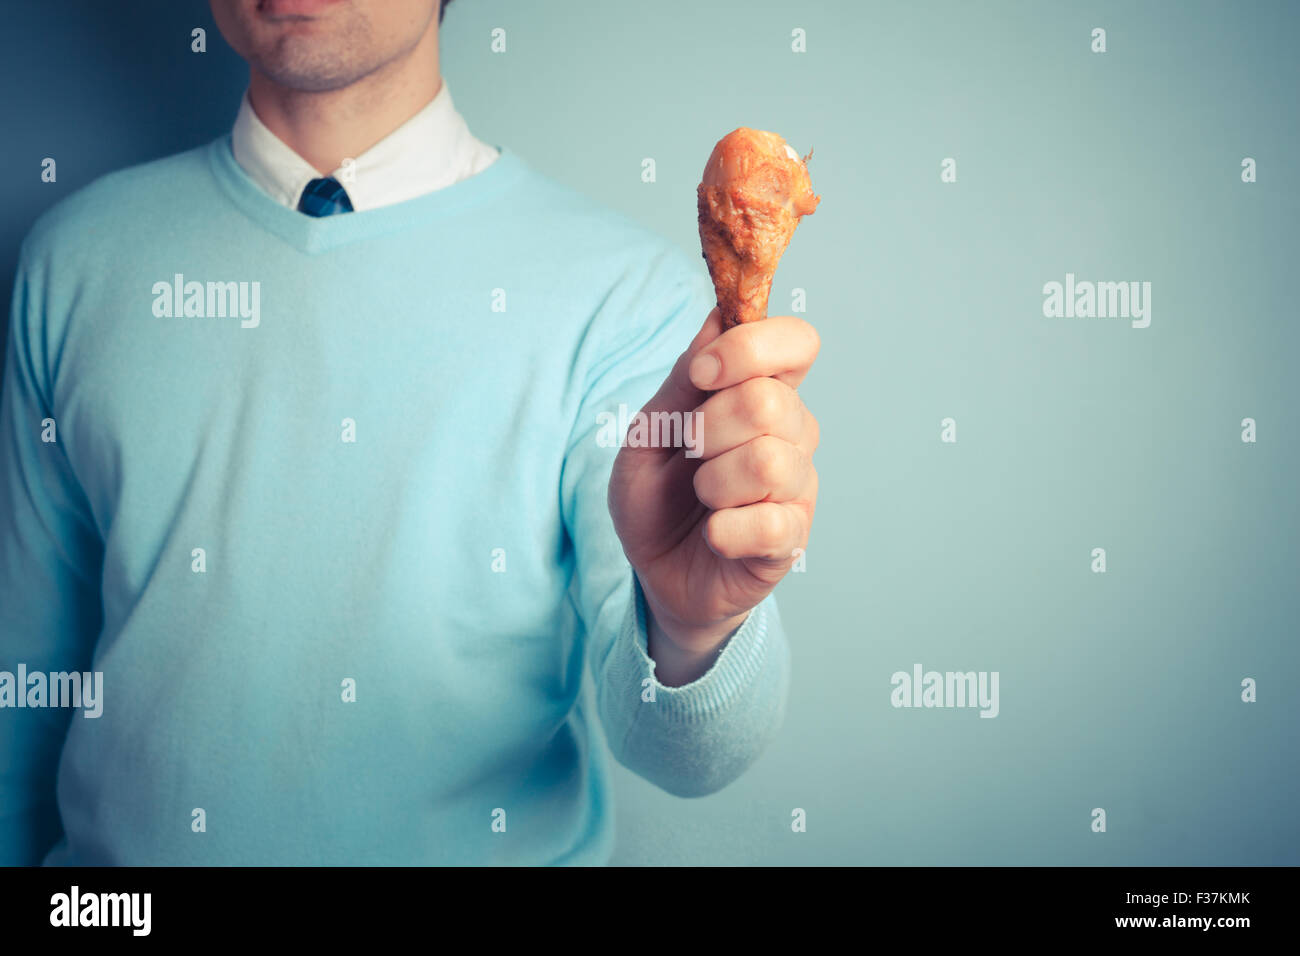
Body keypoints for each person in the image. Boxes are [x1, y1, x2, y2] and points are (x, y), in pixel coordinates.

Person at [0, 0, 820, 865]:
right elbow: (22, 687)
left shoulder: (631, 303)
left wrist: (693, 631)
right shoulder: (74, 262)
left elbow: (684, 754)